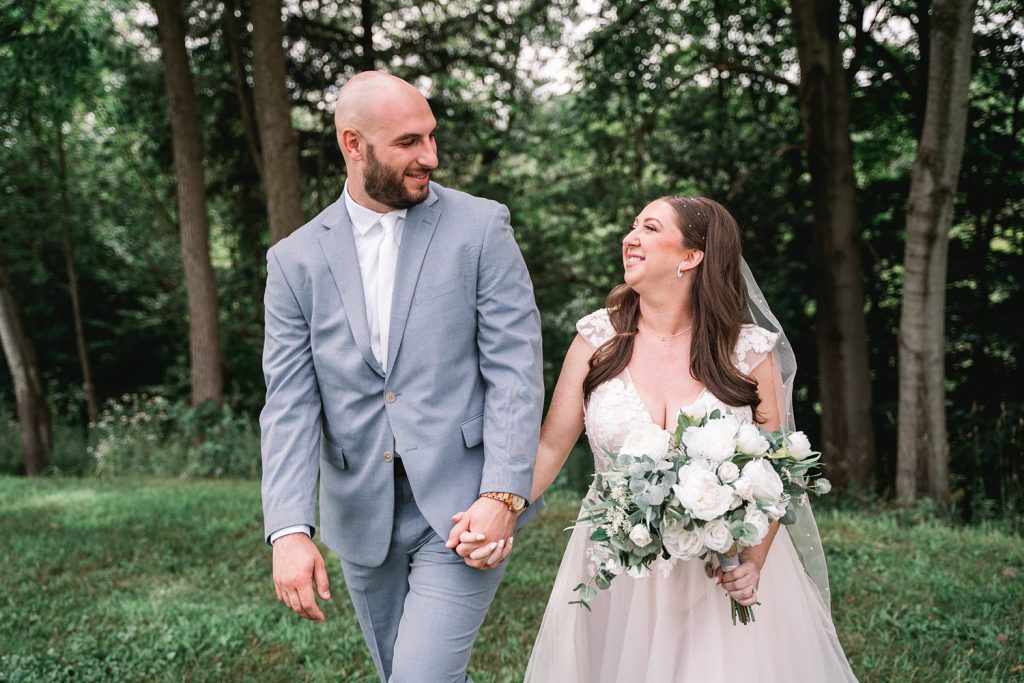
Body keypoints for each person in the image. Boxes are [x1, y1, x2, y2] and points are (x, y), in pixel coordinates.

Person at [259, 71, 544, 683]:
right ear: (353, 144)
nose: (430, 158)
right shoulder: (293, 260)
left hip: (466, 508)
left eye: (432, 138)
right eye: (409, 142)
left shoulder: (482, 228)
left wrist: (503, 494)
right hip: (361, 514)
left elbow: (515, 368)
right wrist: (288, 529)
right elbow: (288, 403)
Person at [512, 196, 856, 681]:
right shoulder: (597, 338)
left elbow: (775, 470)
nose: (630, 238)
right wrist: (500, 509)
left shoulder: (748, 350)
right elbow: (550, 447)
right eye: (632, 226)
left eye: (649, 228)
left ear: (691, 256)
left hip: (716, 567)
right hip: (614, 564)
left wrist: (752, 560)